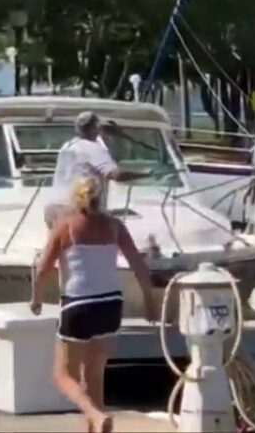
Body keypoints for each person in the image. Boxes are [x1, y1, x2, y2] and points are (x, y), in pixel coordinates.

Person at [31, 176, 158, 433]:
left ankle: (95, 416)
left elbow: (43, 268)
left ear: (75, 199)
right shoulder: (115, 226)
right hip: (111, 304)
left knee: (63, 375)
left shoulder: (66, 226)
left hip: (78, 304)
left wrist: (36, 298)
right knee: (94, 376)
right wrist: (148, 301)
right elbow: (138, 265)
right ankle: (98, 422)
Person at [44, 111, 150, 228]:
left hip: (54, 210)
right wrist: (146, 174)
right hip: (77, 211)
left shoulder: (67, 146)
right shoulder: (93, 148)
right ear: (94, 128)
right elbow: (116, 175)